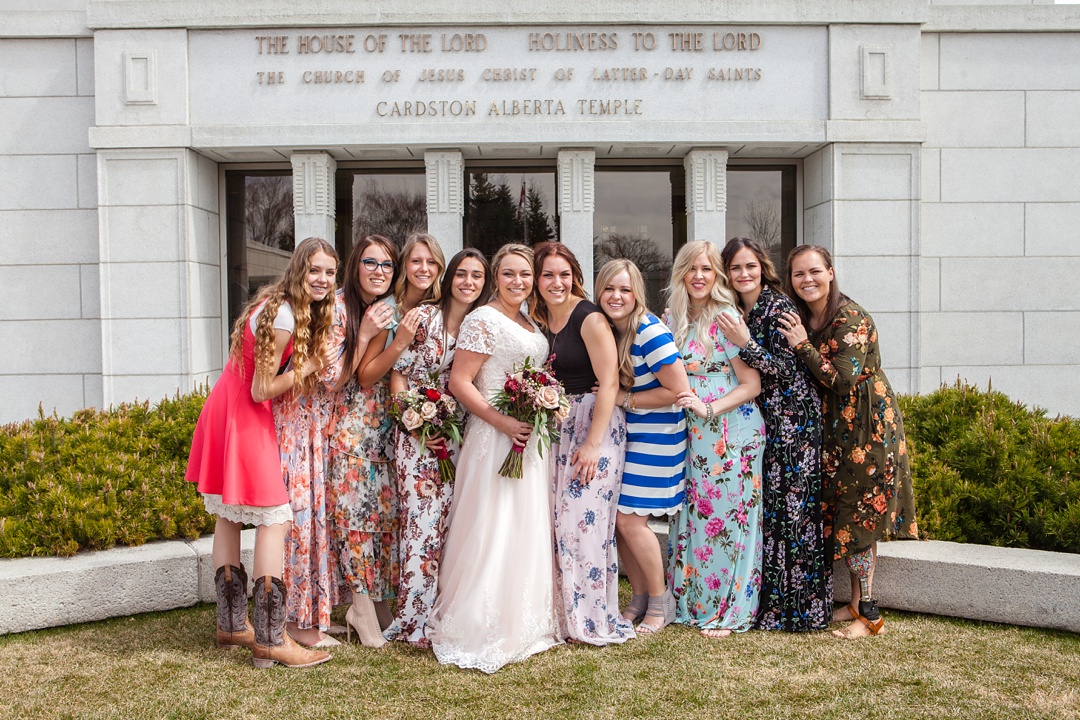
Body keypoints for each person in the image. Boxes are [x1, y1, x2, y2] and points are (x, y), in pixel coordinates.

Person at [186, 236, 335, 668]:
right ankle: (271, 637)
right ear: (298, 270)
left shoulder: (276, 303)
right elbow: (261, 388)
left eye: (329, 271)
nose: (323, 279)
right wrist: (308, 367)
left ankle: (232, 626)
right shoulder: (285, 314)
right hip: (244, 411)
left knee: (229, 514)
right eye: (315, 270)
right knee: (277, 517)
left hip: (227, 405)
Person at [428, 243, 561, 673]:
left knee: (523, 523)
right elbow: (460, 382)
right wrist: (502, 421)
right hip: (493, 435)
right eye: (508, 274)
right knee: (492, 523)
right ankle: (481, 621)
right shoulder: (483, 319)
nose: (518, 281)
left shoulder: (530, 320)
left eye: (525, 274)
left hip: (528, 436)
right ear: (495, 277)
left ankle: (522, 616)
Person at [778, 244, 919, 639]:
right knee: (846, 513)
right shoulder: (811, 315)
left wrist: (802, 345)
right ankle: (855, 603)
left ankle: (870, 616)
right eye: (798, 274)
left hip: (867, 429)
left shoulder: (850, 317)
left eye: (814, 272)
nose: (807, 280)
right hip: (839, 429)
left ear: (831, 272)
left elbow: (841, 379)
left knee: (861, 516)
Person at [718, 238, 830, 632]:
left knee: (797, 514)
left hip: (796, 422)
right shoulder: (739, 310)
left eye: (750, 266)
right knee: (777, 512)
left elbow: (784, 368)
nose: (743, 274)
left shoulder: (778, 306)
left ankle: (803, 611)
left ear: (761, 268)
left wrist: (745, 344)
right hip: (769, 420)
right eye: (735, 268)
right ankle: (776, 606)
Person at [383, 248, 489, 648]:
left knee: (453, 527)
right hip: (419, 437)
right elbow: (398, 376)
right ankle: (414, 619)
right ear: (450, 278)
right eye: (462, 274)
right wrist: (416, 425)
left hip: (465, 433)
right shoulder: (424, 317)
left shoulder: (482, 324)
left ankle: (446, 610)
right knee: (422, 525)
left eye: (477, 276)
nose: (468, 283)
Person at [530, 242, 634, 646]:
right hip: (556, 429)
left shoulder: (588, 317)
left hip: (595, 426)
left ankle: (590, 619)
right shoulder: (540, 320)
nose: (557, 283)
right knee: (559, 526)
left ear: (575, 275)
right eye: (547, 275)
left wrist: (592, 444)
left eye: (563, 274)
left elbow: (609, 382)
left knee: (584, 526)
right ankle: (562, 615)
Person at [668, 239, 766, 638]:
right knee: (697, 518)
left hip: (732, 432)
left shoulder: (724, 317)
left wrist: (710, 408)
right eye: (691, 268)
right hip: (692, 434)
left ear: (717, 275)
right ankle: (693, 603)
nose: (699, 276)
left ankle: (732, 610)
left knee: (734, 521)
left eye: (707, 269)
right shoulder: (674, 316)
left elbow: (751, 384)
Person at [595, 258, 690, 635]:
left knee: (630, 521)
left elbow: (679, 390)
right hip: (629, 435)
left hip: (658, 438)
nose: (616, 296)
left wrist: (626, 400)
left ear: (637, 294)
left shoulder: (649, 331)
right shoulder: (613, 330)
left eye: (625, 289)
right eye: (610, 288)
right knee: (619, 521)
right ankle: (638, 597)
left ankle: (661, 600)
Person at [328, 235, 402, 648]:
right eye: (371, 263)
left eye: (387, 265)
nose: (379, 271)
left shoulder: (387, 309)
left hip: (384, 430)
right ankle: (359, 607)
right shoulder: (339, 308)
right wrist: (364, 335)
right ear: (356, 265)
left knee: (383, 521)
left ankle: (380, 605)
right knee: (356, 521)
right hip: (350, 429)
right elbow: (338, 380)